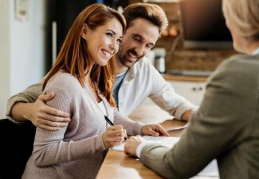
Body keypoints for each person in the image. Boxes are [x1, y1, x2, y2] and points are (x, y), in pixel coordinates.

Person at [124, 0, 259, 179]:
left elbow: (176, 165)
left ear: (244, 18)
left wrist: (141, 147)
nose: (227, 22)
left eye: (228, 14)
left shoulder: (240, 74)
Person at [21, 4, 168, 179]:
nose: (114, 47)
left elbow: (110, 114)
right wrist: (100, 141)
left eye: (119, 40)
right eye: (109, 35)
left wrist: (141, 129)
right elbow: (43, 153)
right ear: (84, 31)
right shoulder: (64, 85)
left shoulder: (93, 78)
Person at [6, 3, 195, 132]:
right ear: (121, 31)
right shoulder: (80, 69)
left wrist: (213, 122)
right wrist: (31, 112)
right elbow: (16, 102)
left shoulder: (145, 71)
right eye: (136, 39)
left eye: (148, 45)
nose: (139, 51)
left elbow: (178, 105)